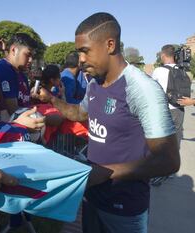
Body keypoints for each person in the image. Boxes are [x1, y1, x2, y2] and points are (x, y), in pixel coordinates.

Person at [33, 12, 180, 233]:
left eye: (85, 51)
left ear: (110, 45)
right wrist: (52, 99)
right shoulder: (94, 83)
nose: (80, 59)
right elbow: (81, 114)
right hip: (92, 198)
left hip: (124, 209)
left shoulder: (141, 88)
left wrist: (106, 173)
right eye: (78, 52)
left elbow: (168, 161)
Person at [0, 33, 37, 114]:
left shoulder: (21, 73)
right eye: (28, 55)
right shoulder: (3, 70)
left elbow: (25, 102)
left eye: (33, 56)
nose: (31, 60)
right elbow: (13, 110)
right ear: (13, 50)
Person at [152, 45, 186, 148]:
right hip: (179, 109)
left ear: (163, 55)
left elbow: (152, 90)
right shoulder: (182, 70)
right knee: (176, 137)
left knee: (162, 139)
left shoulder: (158, 71)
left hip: (164, 110)